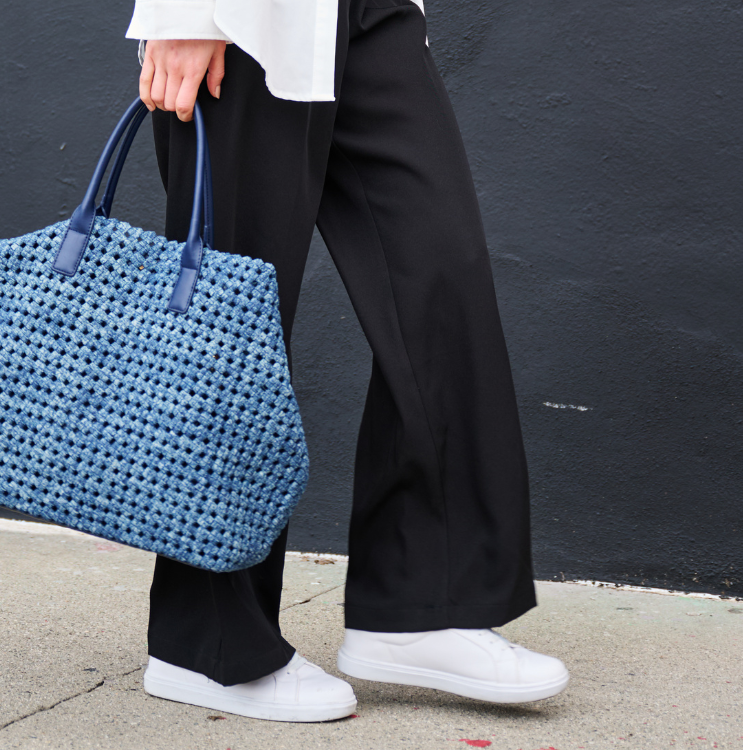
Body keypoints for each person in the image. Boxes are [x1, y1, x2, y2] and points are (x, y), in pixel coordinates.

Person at [128, 0, 569, 722]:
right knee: (232, 317)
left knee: (439, 271)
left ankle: (421, 606)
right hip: (239, 16)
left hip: (363, 11)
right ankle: (205, 643)